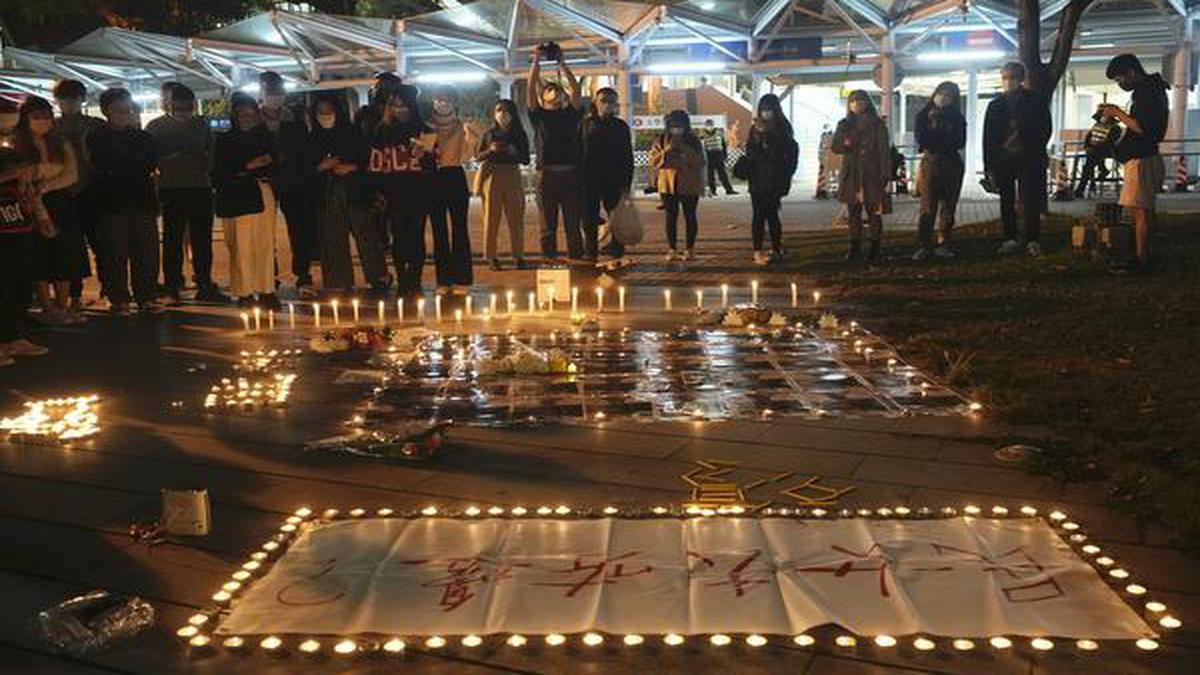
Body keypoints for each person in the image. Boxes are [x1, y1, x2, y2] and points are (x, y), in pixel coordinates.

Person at [146, 85, 227, 304]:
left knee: (202, 240)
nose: (183, 109)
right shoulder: (156, 127)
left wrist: (206, 164)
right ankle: (173, 284)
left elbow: (213, 153)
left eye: (188, 105)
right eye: (178, 105)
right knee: (172, 239)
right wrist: (170, 157)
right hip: (172, 188)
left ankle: (204, 282)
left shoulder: (201, 125)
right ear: (169, 103)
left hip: (200, 187)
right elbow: (150, 159)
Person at [88, 88, 161, 315]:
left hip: (141, 200)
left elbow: (149, 163)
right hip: (110, 202)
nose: (123, 113)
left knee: (146, 251)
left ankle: (146, 296)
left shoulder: (142, 137)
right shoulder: (96, 137)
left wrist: (124, 167)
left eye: (127, 109)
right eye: (118, 109)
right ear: (106, 110)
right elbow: (101, 164)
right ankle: (118, 296)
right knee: (113, 251)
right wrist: (128, 167)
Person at [15, 96, 86, 325]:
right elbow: (22, 176)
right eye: (36, 117)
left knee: (65, 253)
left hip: (60, 202)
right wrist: (40, 192)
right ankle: (46, 307)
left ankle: (61, 306)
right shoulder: (17, 144)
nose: (43, 121)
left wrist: (45, 184)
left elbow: (71, 174)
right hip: (28, 204)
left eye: (46, 116)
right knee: (39, 255)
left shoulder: (59, 142)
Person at [309, 92, 387, 296]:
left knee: (366, 235)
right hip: (327, 193)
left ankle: (378, 278)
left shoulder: (352, 133)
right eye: (320, 112)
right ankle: (339, 282)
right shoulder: (312, 138)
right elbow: (304, 168)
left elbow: (368, 160)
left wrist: (352, 167)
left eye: (329, 111)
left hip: (356, 191)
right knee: (332, 238)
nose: (325, 116)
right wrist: (320, 167)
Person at [363, 83, 433, 299]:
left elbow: (434, 166)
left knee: (417, 237)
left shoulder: (424, 130)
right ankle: (403, 281)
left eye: (404, 106)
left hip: (419, 192)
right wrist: (378, 193)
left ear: (412, 106)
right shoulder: (381, 131)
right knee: (399, 238)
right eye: (394, 106)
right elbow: (375, 165)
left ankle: (416, 279)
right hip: (393, 194)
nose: (399, 110)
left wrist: (424, 156)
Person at [1101, 53, 1169, 274]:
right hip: (1143, 157)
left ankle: (1141, 260)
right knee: (1144, 211)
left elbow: (1145, 129)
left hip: (1142, 158)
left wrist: (1117, 113)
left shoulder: (1148, 92)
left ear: (1131, 72)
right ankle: (1145, 254)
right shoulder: (1151, 90)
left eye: (1120, 79)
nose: (1120, 84)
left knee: (1141, 212)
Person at [212, 92, 280, 309]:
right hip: (236, 196)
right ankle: (244, 291)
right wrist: (247, 167)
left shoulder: (266, 136)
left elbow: (276, 161)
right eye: (241, 114)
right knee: (240, 245)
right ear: (234, 115)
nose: (246, 118)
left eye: (250, 113)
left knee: (265, 243)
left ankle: (266, 289)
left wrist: (258, 165)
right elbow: (218, 171)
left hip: (262, 191)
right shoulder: (224, 139)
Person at [0, 99, 52, 364]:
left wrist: (39, 211)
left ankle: (14, 336)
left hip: (18, 222)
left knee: (18, 284)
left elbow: (27, 182)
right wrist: (13, 174)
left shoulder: (13, 148)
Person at [983, 61, 1052, 258]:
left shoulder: (1036, 100)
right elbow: (988, 137)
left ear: (1021, 79)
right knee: (1006, 199)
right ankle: (1010, 237)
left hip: (1028, 157)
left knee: (1030, 199)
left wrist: (1034, 148)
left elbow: (1045, 128)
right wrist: (989, 165)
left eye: (1012, 77)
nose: (1008, 82)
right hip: (1004, 158)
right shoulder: (995, 105)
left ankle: (1032, 238)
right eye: (1005, 77)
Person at [258, 71, 316, 297]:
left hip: (294, 182)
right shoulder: (253, 118)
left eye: (278, 91)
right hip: (266, 182)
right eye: (270, 91)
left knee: (299, 230)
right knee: (264, 232)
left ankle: (303, 276)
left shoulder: (295, 118)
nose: (275, 95)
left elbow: (304, 150)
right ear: (261, 92)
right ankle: (269, 277)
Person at [527, 44, 584, 263]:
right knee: (547, 223)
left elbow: (576, 89)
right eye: (548, 90)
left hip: (571, 175)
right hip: (547, 176)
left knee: (572, 222)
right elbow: (531, 88)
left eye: (556, 89)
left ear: (563, 96)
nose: (553, 92)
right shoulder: (538, 116)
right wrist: (536, 62)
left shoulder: (571, 114)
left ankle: (577, 261)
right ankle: (549, 259)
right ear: (542, 98)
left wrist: (563, 63)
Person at [53, 79, 104, 311]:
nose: (69, 104)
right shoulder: (51, 127)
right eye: (64, 99)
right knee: (70, 248)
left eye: (73, 99)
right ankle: (74, 295)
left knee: (100, 245)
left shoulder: (96, 125)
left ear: (82, 99)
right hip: (62, 193)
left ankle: (109, 288)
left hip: (92, 191)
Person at [831, 90, 890, 264]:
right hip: (852, 173)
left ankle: (875, 248)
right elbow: (835, 147)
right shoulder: (844, 124)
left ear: (868, 102)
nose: (858, 104)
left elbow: (884, 151)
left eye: (861, 100)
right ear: (849, 104)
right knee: (853, 212)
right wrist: (845, 143)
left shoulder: (877, 124)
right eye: (854, 101)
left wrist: (885, 173)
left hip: (872, 173)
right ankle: (855, 247)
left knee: (874, 212)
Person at [427, 86, 476, 294]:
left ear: (453, 103)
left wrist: (470, 130)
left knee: (459, 228)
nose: (442, 103)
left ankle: (462, 279)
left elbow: (467, 154)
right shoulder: (426, 125)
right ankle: (443, 281)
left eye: (446, 99)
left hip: (455, 175)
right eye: (439, 99)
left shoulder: (461, 126)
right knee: (438, 230)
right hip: (433, 177)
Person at [912, 81, 967, 260]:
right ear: (934, 94)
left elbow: (959, 141)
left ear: (954, 99)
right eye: (941, 93)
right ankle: (924, 244)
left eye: (948, 95)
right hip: (930, 163)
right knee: (927, 206)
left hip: (951, 164)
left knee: (949, 205)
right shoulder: (923, 115)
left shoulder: (957, 118)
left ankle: (944, 242)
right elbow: (921, 139)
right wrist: (940, 137)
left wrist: (935, 139)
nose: (943, 98)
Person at [580, 87, 633, 262]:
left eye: (611, 101)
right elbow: (578, 151)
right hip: (589, 179)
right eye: (603, 100)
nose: (607, 104)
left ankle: (617, 250)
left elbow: (627, 156)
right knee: (589, 219)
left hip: (614, 180)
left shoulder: (620, 126)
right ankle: (591, 252)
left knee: (616, 217)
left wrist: (626, 184)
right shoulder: (585, 125)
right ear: (595, 102)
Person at [475, 99, 530, 271]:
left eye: (506, 112)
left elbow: (526, 159)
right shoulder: (488, 133)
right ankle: (491, 256)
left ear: (513, 115)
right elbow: (477, 156)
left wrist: (515, 152)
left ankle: (518, 255)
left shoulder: (519, 134)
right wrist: (490, 150)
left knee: (516, 218)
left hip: (512, 174)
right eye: (499, 110)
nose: (502, 115)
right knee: (491, 217)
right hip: (492, 175)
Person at [745, 94, 799, 266]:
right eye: (763, 109)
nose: (766, 113)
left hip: (775, 179)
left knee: (772, 214)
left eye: (769, 109)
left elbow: (786, 153)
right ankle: (757, 251)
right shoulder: (755, 128)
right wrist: (760, 138)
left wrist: (768, 138)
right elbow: (751, 152)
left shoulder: (783, 128)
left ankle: (776, 248)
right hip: (757, 179)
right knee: (759, 215)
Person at [649, 110, 703, 261]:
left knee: (690, 216)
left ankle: (690, 249)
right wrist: (668, 149)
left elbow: (700, 162)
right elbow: (653, 161)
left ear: (686, 125)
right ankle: (672, 248)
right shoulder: (661, 140)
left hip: (689, 184)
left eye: (680, 125)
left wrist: (684, 148)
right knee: (671, 217)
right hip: (668, 184)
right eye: (673, 125)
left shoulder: (693, 140)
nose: (677, 129)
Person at [1075, 112, 1118, 198]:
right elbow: (1088, 136)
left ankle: (1081, 189)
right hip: (1094, 150)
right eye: (1103, 116)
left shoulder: (1115, 128)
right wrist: (1087, 146)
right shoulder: (1096, 125)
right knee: (1089, 164)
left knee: (1088, 165)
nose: (1103, 118)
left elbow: (1110, 143)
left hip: (1107, 150)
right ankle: (1102, 170)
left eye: (1105, 116)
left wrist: (1093, 147)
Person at [702, 118, 736, 196]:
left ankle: (729, 190)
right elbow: (703, 146)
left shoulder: (719, 132)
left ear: (713, 125)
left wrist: (725, 155)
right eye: (708, 125)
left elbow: (723, 145)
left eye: (710, 124)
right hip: (709, 155)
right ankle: (713, 190)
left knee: (723, 173)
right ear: (705, 126)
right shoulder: (703, 134)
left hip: (719, 154)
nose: (709, 126)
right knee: (710, 174)